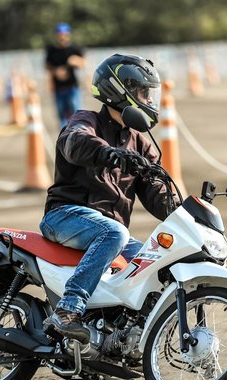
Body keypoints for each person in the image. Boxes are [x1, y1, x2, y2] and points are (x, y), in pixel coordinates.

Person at [40, 53, 177, 343]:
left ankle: (130, 333)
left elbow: (156, 193)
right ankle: (68, 310)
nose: (150, 100)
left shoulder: (141, 143)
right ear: (120, 90)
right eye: (143, 92)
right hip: (66, 215)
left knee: (153, 258)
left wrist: (187, 213)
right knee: (115, 232)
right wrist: (110, 154)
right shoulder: (85, 121)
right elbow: (75, 143)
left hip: (107, 230)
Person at [45, 22, 85, 128]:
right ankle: (65, 137)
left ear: (68, 35)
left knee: (77, 114)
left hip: (72, 87)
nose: (62, 37)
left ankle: (78, 135)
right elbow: (47, 66)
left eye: (64, 34)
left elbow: (83, 63)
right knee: (61, 117)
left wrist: (75, 61)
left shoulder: (74, 48)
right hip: (58, 88)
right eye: (60, 35)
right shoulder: (52, 50)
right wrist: (56, 72)